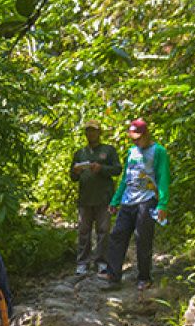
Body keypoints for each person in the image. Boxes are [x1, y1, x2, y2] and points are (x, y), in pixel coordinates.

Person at [101, 118, 171, 291]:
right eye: (133, 138)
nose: (135, 141)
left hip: (147, 200)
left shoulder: (159, 151)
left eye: (138, 137)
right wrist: (115, 200)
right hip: (127, 200)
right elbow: (126, 178)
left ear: (146, 134)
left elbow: (163, 178)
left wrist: (162, 204)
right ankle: (113, 275)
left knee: (143, 239)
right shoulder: (131, 152)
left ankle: (144, 277)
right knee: (117, 235)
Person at [69, 119, 121, 275]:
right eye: (88, 131)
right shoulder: (80, 153)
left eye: (94, 130)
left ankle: (102, 262)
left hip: (103, 198)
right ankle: (82, 262)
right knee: (83, 231)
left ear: (100, 132)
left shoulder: (108, 150)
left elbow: (118, 169)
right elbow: (73, 176)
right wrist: (76, 171)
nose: (90, 133)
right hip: (85, 199)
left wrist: (102, 168)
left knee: (103, 231)